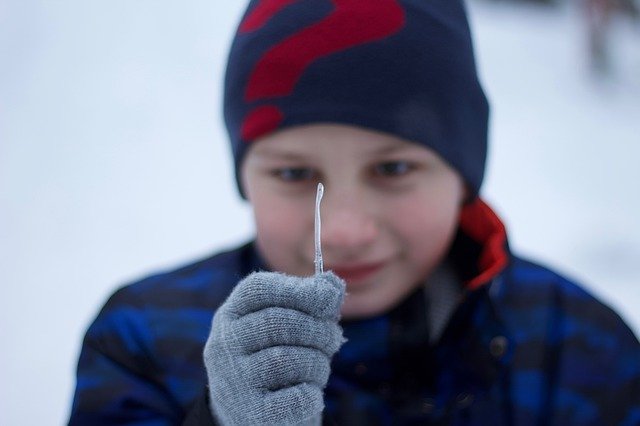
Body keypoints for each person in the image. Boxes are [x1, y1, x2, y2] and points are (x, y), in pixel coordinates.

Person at [68, 0, 640, 424]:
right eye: (295, 174)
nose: (343, 232)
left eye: (393, 170)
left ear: (462, 174)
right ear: (244, 176)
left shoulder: (580, 350)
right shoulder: (142, 343)